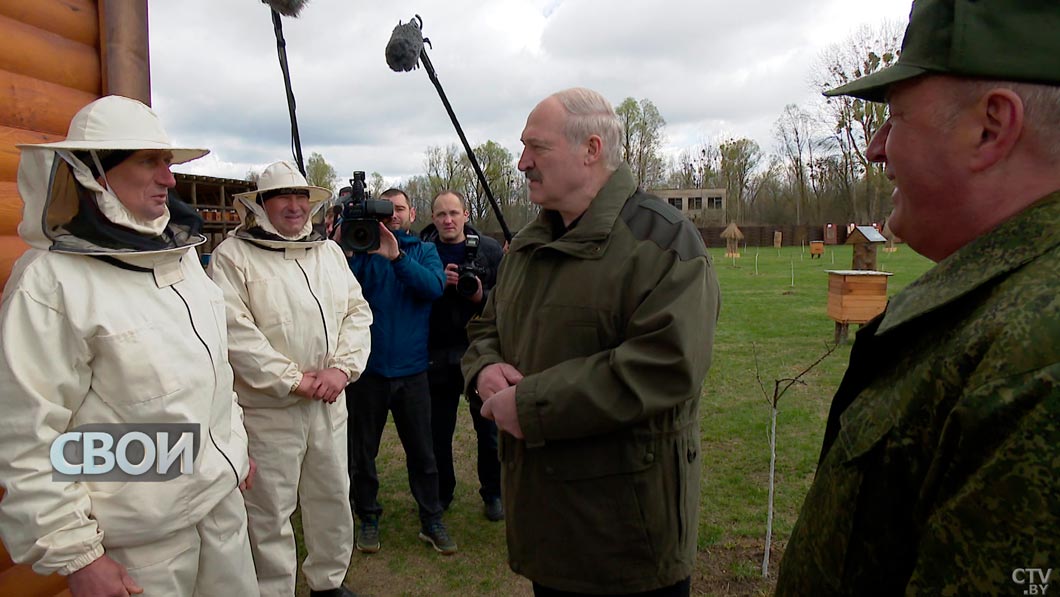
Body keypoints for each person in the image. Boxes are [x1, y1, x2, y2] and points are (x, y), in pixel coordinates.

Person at [776, 1, 1060, 595]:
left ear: (990, 128)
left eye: (896, 118)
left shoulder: (1037, 358)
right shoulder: (1002, 309)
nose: (876, 148)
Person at [462, 88, 721, 596]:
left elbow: (666, 364)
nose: (522, 163)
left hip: (625, 535)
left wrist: (531, 405)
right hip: (547, 526)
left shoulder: (664, 243)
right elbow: (485, 328)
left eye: (537, 148)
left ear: (591, 149)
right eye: (522, 148)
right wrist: (484, 368)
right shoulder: (528, 247)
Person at [0, 95, 257, 595]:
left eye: (167, 162)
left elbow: (214, 373)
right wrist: (80, 557)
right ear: (95, 171)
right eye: (149, 162)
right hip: (138, 550)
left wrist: (233, 448)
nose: (170, 179)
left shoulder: (182, 262)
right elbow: (27, 437)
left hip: (221, 513)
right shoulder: (49, 284)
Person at [209, 161, 372, 597]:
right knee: (269, 511)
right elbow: (235, 333)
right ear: (261, 205)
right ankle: (273, 590)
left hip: (328, 403)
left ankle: (328, 583)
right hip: (269, 412)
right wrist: (294, 380)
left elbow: (356, 313)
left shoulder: (329, 253)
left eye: (301, 196)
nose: (295, 206)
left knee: (332, 497)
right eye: (282, 196)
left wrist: (342, 369)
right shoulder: (232, 257)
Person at [345, 188, 458, 555]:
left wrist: (397, 258)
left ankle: (431, 519)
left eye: (399, 210)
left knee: (423, 454)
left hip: (412, 372)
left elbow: (434, 287)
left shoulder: (423, 251)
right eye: (386, 210)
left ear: (411, 213)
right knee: (362, 454)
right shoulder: (362, 251)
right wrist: (347, 245)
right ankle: (368, 517)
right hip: (370, 371)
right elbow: (341, 291)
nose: (393, 216)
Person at [419, 190, 504, 521]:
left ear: (466, 214)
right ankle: (443, 492)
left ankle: (493, 492)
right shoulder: (423, 252)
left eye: (454, 213)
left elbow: (505, 300)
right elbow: (413, 297)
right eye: (441, 214)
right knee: (438, 431)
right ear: (433, 217)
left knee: (489, 429)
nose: (448, 220)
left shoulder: (490, 250)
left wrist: (480, 295)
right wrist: (437, 284)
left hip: (478, 350)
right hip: (436, 351)